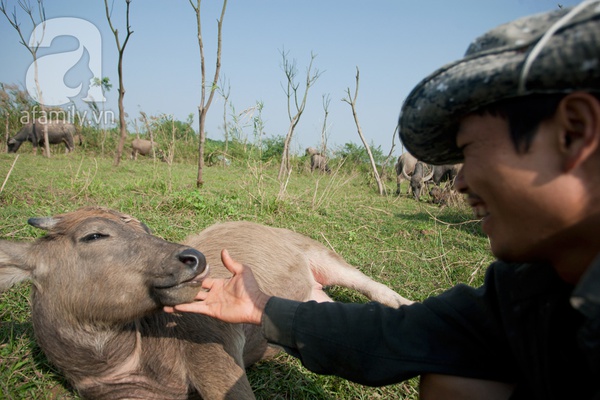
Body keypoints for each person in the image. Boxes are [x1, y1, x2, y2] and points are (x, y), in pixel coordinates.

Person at [165, 3, 600, 399]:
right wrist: (263, 308)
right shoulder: (525, 288)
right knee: (456, 378)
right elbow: (409, 333)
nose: (461, 182)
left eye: (468, 151)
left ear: (574, 132)